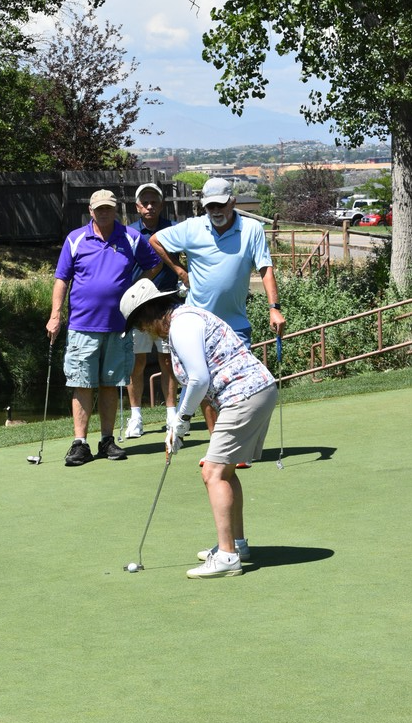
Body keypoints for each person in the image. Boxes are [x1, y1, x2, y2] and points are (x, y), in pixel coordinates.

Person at [120, 278, 278, 579]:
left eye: (139, 324)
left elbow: (199, 379)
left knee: (213, 473)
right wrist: (178, 422)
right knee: (224, 471)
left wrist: (181, 420)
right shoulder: (183, 321)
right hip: (253, 392)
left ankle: (227, 557)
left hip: (244, 395)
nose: (142, 331)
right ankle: (236, 545)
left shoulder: (182, 325)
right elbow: (197, 381)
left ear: (150, 313)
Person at [149, 177, 285, 438]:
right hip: (198, 325)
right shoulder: (192, 228)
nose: (216, 211)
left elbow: (265, 269)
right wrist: (180, 271)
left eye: (221, 205)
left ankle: (235, 442)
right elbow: (156, 240)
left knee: (239, 386)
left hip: (235, 324)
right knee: (205, 387)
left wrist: (274, 308)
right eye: (210, 206)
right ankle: (217, 442)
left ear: (232, 202)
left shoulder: (251, 229)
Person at [46, 189, 162, 466]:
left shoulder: (131, 238)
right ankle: (80, 443)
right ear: (91, 211)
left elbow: (154, 264)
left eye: (108, 208)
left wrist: (137, 288)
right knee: (82, 383)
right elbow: (62, 279)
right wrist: (55, 315)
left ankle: (107, 440)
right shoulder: (75, 239)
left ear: (115, 210)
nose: (104, 213)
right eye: (99, 209)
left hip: (118, 325)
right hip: (82, 325)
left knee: (111, 384)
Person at [125, 183, 180, 438]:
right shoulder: (128, 233)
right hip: (139, 306)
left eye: (154, 202)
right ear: (137, 206)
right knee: (136, 362)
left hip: (168, 304)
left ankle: (171, 415)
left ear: (161, 204)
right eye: (144, 203)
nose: (149, 206)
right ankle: (136, 417)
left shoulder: (173, 230)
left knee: (167, 360)